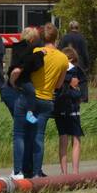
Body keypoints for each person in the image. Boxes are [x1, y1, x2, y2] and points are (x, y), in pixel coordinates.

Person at [28, 23, 69, 178]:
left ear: (41, 37)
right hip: (46, 100)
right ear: (56, 37)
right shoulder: (63, 58)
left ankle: (25, 168)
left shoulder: (35, 52)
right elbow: (59, 85)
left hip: (31, 99)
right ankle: (37, 171)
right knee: (39, 135)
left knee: (26, 133)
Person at [5, 26, 41, 179]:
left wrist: (12, 83)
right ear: (33, 39)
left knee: (19, 133)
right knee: (31, 133)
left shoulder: (19, 49)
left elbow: (15, 71)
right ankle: (31, 169)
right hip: (33, 93)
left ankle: (18, 170)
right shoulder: (35, 51)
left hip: (21, 92)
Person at [55, 46, 85, 174]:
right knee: (76, 139)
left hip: (59, 107)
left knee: (63, 139)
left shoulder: (57, 70)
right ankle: (75, 172)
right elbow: (82, 88)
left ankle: (64, 173)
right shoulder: (76, 71)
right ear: (73, 59)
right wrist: (80, 95)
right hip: (72, 108)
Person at [59, 21, 91, 102]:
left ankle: (66, 95)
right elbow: (85, 52)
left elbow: (60, 50)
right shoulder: (81, 38)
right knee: (82, 80)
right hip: (79, 61)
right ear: (78, 27)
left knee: (67, 78)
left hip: (67, 60)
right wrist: (87, 64)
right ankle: (84, 97)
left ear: (70, 27)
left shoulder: (65, 37)